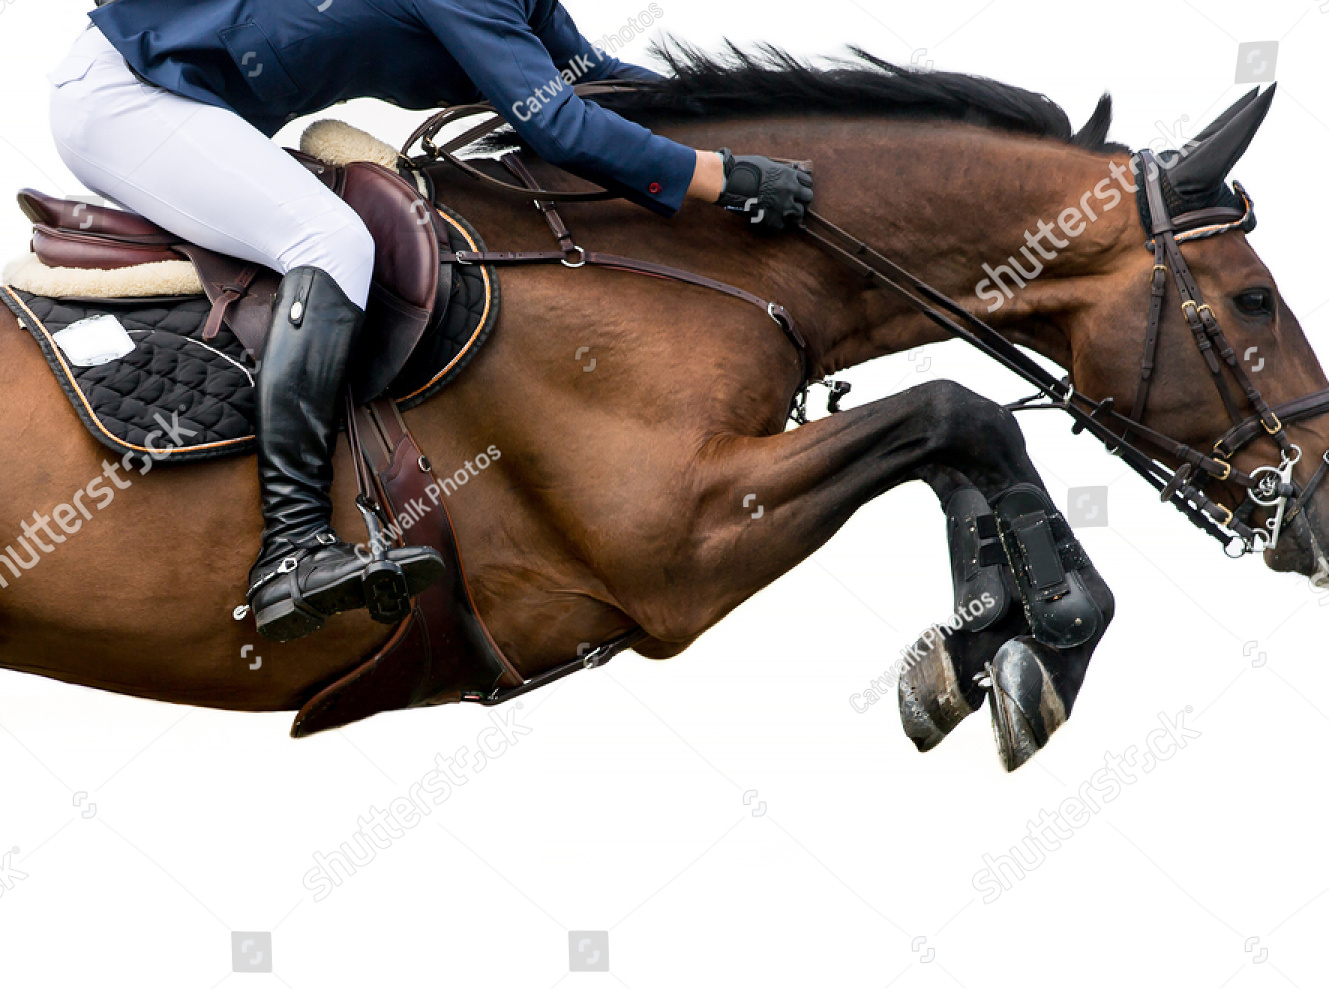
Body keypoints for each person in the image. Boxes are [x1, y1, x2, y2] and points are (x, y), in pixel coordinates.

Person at [49, 0, 814, 642]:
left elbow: (597, 85)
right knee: (332, 239)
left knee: (330, 233)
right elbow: (559, 129)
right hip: (126, 98)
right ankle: (291, 551)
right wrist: (724, 176)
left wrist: (749, 136)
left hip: (179, 99)